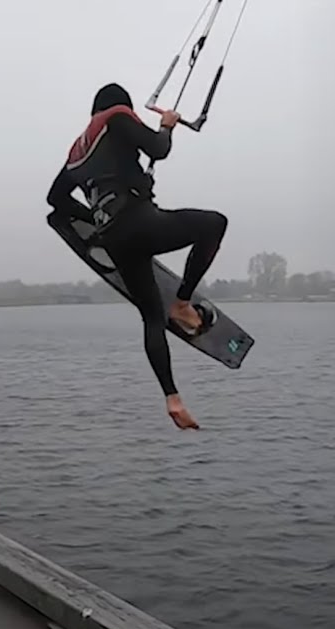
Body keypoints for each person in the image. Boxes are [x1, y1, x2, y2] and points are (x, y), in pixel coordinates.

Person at [46, 82, 229, 430]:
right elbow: (158, 150)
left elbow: (56, 199)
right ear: (122, 105)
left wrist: (97, 219)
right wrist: (168, 125)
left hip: (115, 241)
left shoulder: (77, 151)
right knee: (214, 224)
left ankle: (172, 398)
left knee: (150, 317)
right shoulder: (117, 116)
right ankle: (182, 303)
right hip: (141, 223)